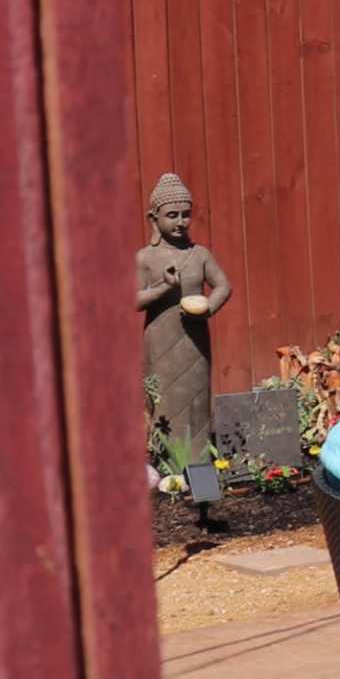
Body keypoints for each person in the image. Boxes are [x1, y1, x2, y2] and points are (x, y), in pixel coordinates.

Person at [137, 173, 233, 469]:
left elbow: (223, 286)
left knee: (196, 399)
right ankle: (168, 465)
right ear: (154, 219)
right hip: (161, 342)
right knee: (164, 400)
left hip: (194, 338)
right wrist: (163, 288)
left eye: (185, 215)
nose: (180, 222)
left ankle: (199, 463)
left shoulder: (199, 254)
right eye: (172, 215)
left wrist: (208, 308)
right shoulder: (145, 258)